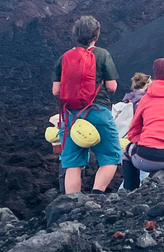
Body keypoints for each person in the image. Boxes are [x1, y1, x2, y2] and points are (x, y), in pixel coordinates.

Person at [52, 16, 121, 195]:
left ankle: (72, 202)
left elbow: (55, 91)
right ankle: (96, 195)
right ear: (96, 36)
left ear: (75, 35)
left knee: (72, 162)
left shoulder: (64, 57)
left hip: (70, 116)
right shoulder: (102, 54)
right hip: (98, 111)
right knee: (110, 156)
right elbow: (112, 86)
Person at [117, 72, 151, 190]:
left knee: (129, 176)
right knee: (143, 173)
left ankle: (120, 196)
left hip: (122, 141)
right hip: (138, 140)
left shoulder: (125, 101)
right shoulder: (146, 101)